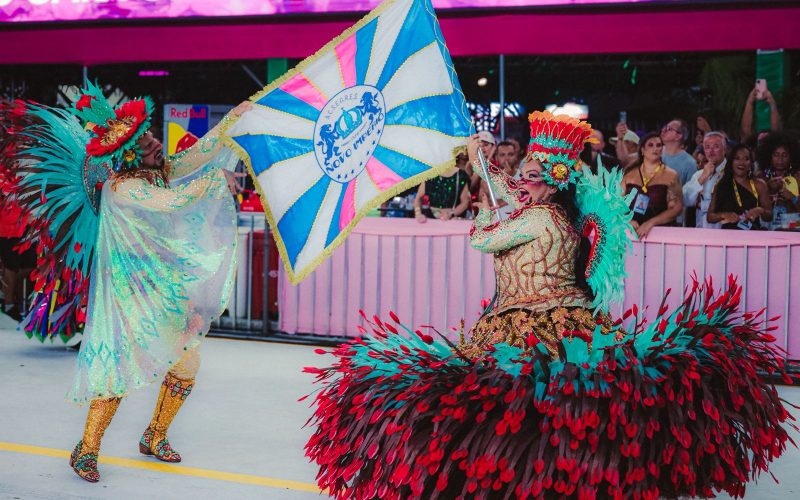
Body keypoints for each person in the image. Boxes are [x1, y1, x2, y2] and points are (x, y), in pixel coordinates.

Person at [305, 111, 792, 499]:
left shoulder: (539, 218)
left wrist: (484, 207)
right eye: (524, 174)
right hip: (563, 317)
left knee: (528, 409)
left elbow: (483, 239)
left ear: (554, 180)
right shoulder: (551, 212)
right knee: (551, 408)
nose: (526, 181)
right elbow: (506, 203)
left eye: (534, 176)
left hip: (527, 325)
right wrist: (484, 167)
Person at [6, 82, 250, 483]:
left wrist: (232, 121)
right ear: (132, 153)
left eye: (154, 139)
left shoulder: (157, 171)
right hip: (131, 297)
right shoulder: (125, 188)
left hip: (168, 293)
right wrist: (213, 182)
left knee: (187, 364)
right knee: (118, 372)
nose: (158, 145)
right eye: (151, 142)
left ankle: (154, 435)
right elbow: (175, 202)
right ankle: (86, 449)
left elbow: (195, 156)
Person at [621, 132, 683, 238]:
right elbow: (615, 204)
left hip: (660, 234)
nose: (655, 148)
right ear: (642, 150)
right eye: (650, 145)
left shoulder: (671, 175)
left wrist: (650, 223)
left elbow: (676, 208)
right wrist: (627, 220)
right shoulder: (629, 174)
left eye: (659, 145)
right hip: (629, 232)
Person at [707, 144, 771, 230]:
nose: (742, 163)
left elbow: (769, 215)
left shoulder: (760, 185)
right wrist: (724, 215)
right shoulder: (721, 185)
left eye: (746, 159)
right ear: (731, 162)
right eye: (737, 158)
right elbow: (710, 217)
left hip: (754, 237)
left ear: (751, 163)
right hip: (728, 237)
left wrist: (760, 210)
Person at [683, 131, 728, 228]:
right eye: (707, 147)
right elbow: (685, 199)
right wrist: (703, 177)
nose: (711, 151)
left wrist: (701, 205)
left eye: (715, 147)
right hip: (701, 231)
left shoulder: (732, 172)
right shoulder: (699, 174)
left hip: (725, 231)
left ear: (724, 149)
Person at [755, 131, 800, 229]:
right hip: (767, 228)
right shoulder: (761, 177)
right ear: (769, 156)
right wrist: (767, 189)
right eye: (776, 155)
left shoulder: (797, 177)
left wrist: (792, 197)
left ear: (791, 157)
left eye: (784, 155)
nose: (780, 159)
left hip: (793, 228)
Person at [414, 152, 471, 222]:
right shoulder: (430, 175)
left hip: (452, 219)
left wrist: (451, 214)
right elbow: (418, 198)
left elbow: (465, 202)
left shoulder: (461, 175)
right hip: (431, 219)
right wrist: (418, 214)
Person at [660, 118, 696, 186]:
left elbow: (691, 193)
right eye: (664, 127)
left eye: (669, 129)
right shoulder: (654, 153)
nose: (663, 130)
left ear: (678, 136)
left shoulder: (689, 163)